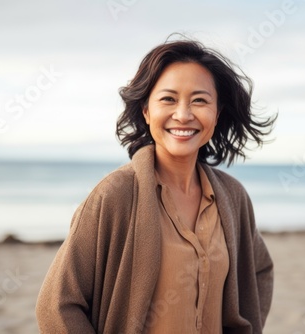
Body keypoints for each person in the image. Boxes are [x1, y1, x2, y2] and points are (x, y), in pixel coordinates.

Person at [36, 36, 275, 334]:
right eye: (168, 99)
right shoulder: (115, 195)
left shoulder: (232, 197)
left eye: (199, 100)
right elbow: (56, 304)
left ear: (218, 113)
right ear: (147, 111)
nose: (184, 114)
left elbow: (260, 270)